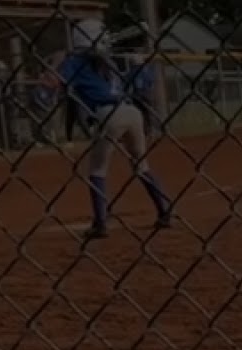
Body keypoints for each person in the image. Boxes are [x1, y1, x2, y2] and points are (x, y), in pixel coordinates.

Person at [59, 19, 171, 240]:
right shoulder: (108, 62)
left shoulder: (74, 62)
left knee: (97, 171)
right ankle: (164, 211)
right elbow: (126, 83)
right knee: (141, 165)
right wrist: (138, 65)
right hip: (131, 112)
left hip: (108, 114)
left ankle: (100, 224)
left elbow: (67, 88)